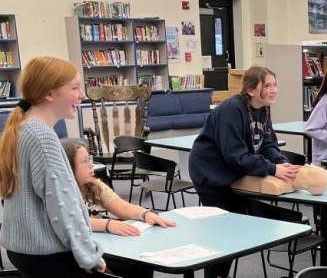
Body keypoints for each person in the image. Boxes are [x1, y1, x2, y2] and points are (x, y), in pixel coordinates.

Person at [189, 65, 299, 278]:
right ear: (250, 90)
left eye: (275, 84)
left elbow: (267, 144)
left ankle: (220, 273)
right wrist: (271, 169)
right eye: (267, 85)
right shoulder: (232, 110)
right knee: (224, 233)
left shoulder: (263, 107)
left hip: (236, 175)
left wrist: (282, 164)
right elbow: (235, 155)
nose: (274, 90)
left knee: (235, 230)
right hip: (211, 175)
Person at [0, 57, 105, 277]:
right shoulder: (42, 137)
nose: (82, 95)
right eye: (75, 87)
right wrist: (89, 255)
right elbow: (63, 206)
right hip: (47, 256)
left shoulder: (22, 128)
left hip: (23, 251)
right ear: (49, 94)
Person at [63, 140, 177, 278]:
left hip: (99, 245)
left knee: (141, 262)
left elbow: (122, 207)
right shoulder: (61, 192)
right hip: (78, 253)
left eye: (90, 160)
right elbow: (71, 222)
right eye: (85, 161)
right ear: (69, 166)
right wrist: (108, 224)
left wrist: (145, 214)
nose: (91, 165)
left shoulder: (93, 184)